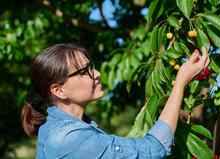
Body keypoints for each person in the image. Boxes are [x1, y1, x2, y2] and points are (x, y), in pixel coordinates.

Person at [21, 43, 209, 159]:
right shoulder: (70, 139)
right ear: (58, 90)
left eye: (91, 67)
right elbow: (154, 148)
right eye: (84, 72)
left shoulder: (61, 126)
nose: (97, 74)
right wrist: (180, 82)